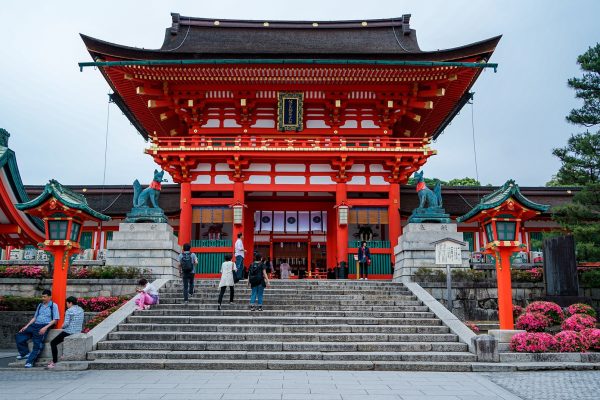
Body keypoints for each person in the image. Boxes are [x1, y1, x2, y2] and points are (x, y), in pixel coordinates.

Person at [15, 289, 60, 368]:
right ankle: (24, 353)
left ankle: (29, 362)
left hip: (44, 326)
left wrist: (45, 328)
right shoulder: (40, 305)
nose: (43, 298)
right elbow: (35, 317)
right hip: (35, 325)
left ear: (50, 297)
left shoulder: (53, 306)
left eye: (44, 297)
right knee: (19, 335)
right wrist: (26, 326)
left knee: (37, 345)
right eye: (42, 296)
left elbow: (55, 320)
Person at [46, 296, 84, 369]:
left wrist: (62, 326)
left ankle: (54, 361)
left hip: (69, 332)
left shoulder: (69, 311)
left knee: (53, 343)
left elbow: (66, 324)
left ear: (70, 303)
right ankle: (62, 356)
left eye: (67, 303)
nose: (66, 305)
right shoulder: (81, 309)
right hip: (78, 331)